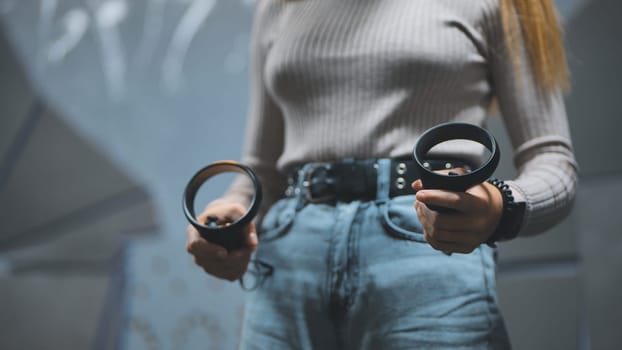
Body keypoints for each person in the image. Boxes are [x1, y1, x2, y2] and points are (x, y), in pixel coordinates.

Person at [185, 0, 578, 348]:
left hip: (427, 251)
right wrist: (232, 212)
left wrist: (500, 206)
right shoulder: (277, 4)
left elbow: (552, 161)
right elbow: (263, 172)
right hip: (287, 270)